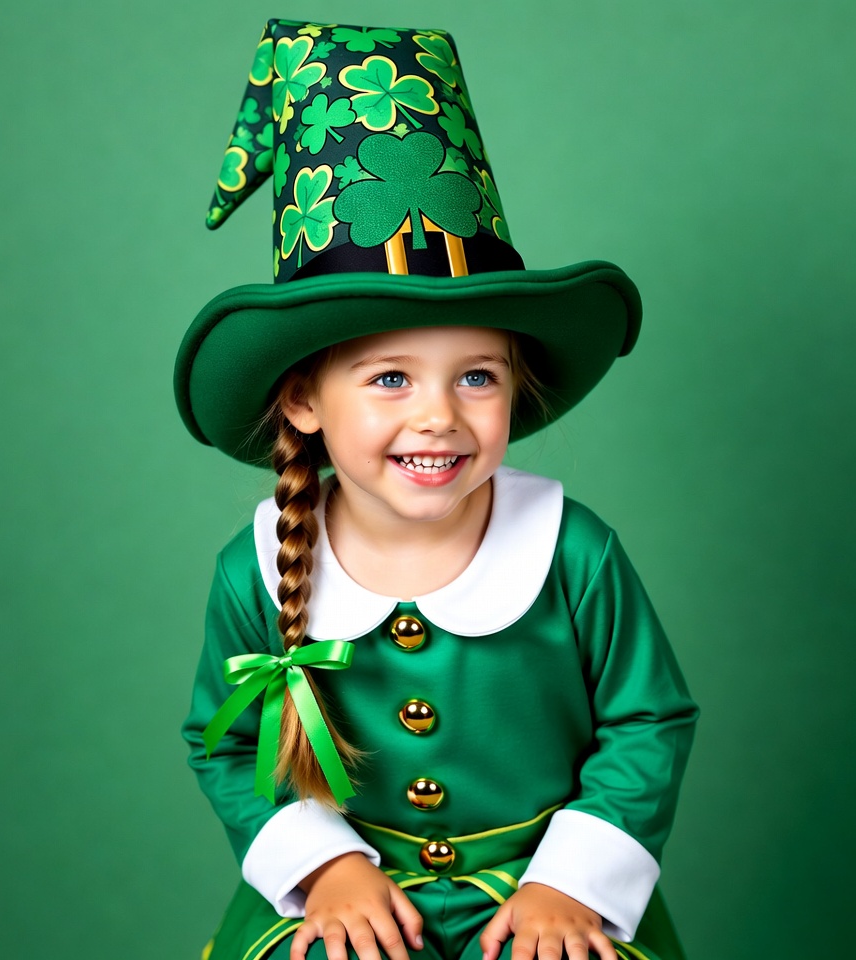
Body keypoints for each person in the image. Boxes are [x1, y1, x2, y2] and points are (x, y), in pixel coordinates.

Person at [176, 18, 699, 960]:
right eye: (389, 378)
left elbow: (648, 719)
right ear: (302, 399)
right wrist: (324, 869)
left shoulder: (575, 551)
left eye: (477, 377)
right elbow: (223, 745)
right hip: (349, 894)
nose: (440, 418)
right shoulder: (252, 567)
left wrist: (567, 884)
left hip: (543, 893)